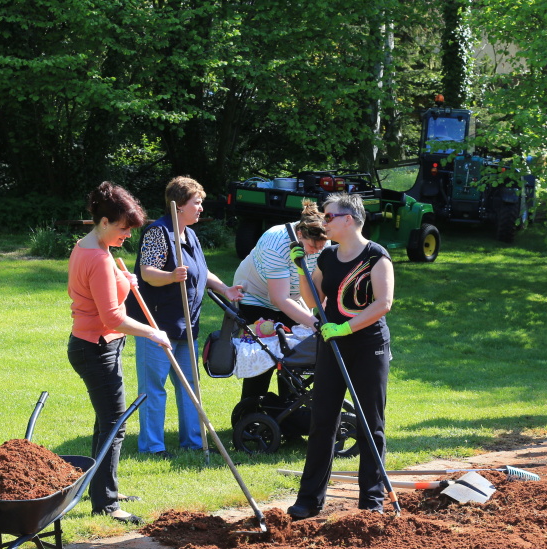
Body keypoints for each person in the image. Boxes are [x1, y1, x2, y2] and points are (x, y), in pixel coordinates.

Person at [67, 181, 172, 525]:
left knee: (106, 423)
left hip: (95, 344)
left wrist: (127, 281)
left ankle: (101, 489)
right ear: (104, 222)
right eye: (124, 229)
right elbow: (112, 316)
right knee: (115, 425)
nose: (127, 236)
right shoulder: (98, 257)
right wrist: (153, 332)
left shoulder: (91, 246)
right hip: (96, 347)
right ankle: (107, 504)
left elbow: (104, 288)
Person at [286, 192, 394, 520]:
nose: (324, 222)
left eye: (329, 216)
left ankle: (371, 502)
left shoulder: (376, 256)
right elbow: (313, 299)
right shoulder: (328, 256)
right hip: (332, 346)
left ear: (349, 219)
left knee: (370, 423)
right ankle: (309, 500)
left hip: (368, 347)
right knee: (322, 421)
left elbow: (383, 303)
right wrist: (302, 268)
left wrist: (346, 328)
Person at [125, 176, 243, 459]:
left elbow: (202, 270)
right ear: (178, 206)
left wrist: (225, 289)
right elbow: (147, 273)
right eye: (197, 203)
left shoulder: (190, 235)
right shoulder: (158, 232)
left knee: (190, 386)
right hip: (156, 325)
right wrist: (171, 276)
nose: (201, 208)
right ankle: (152, 447)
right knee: (154, 387)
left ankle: (193, 441)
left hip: (187, 324)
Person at [233, 201, 328, 400]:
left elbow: (317, 293)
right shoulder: (276, 243)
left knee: (295, 356)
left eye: (322, 246)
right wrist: (315, 323)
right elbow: (279, 299)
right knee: (263, 354)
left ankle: (290, 410)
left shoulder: (322, 242)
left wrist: (322, 317)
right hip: (256, 297)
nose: (317, 250)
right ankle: (252, 409)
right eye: (313, 246)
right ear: (300, 234)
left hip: (294, 297)